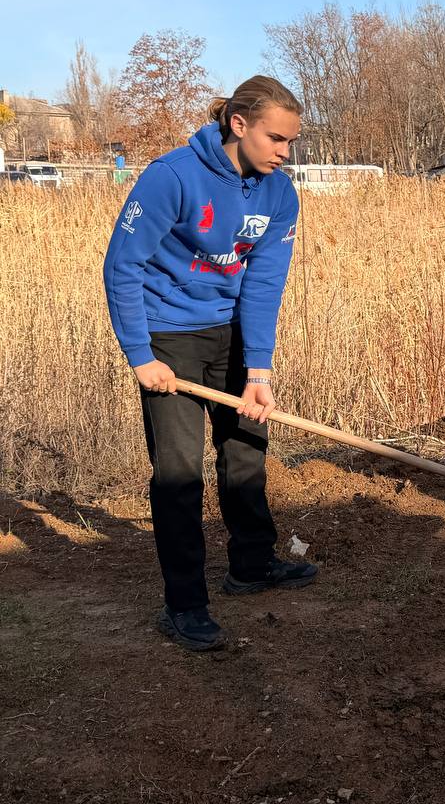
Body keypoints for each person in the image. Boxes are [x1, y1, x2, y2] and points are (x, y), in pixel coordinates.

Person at [103, 75, 316, 652]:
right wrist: (140, 355)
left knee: (246, 449)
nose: (285, 151)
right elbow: (122, 266)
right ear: (239, 125)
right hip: (168, 336)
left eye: (291, 141)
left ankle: (252, 565)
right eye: (276, 138)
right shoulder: (171, 176)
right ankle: (184, 605)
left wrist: (259, 370)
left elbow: (265, 283)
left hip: (232, 335)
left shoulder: (280, 194)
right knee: (179, 473)